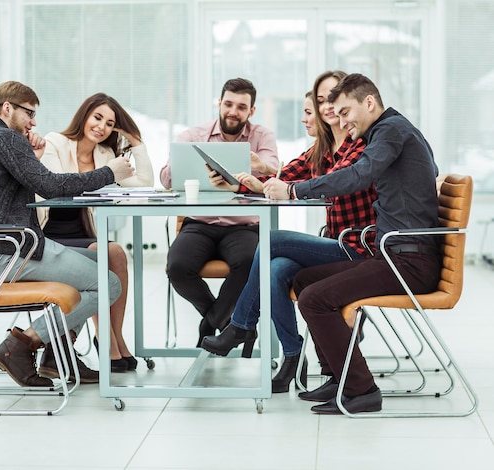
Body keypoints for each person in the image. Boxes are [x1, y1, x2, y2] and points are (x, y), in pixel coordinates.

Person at [200, 71, 378, 394]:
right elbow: (285, 175)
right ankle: (293, 356)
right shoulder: (322, 148)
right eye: (321, 101)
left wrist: (285, 186)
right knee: (275, 269)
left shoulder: (358, 143)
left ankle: (240, 326)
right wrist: (246, 183)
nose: (326, 107)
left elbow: (321, 183)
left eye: (329, 101)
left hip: (356, 248)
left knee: (271, 241)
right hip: (335, 243)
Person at [0, 81, 134, 387]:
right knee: (108, 284)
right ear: (7, 108)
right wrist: (110, 173)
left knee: (103, 260)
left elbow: (8, 189)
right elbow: (52, 186)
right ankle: (23, 344)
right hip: (9, 254)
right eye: (29, 113)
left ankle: (56, 352)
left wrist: (33, 158)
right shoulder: (6, 139)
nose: (34, 122)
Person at [287, 73, 441, 414]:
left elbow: (359, 175)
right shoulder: (393, 132)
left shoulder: (391, 131)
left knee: (313, 299)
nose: (340, 121)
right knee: (303, 280)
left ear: (369, 103)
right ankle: (338, 377)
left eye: (345, 112)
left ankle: (361, 390)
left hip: (408, 263)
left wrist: (296, 189)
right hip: (395, 255)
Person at [36, 92, 154, 373]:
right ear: (84, 115)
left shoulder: (105, 154)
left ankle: (114, 337)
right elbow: (56, 186)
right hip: (50, 236)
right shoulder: (55, 142)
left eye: (110, 124)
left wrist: (136, 143)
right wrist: (107, 174)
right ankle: (110, 343)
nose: (101, 127)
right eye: (97, 117)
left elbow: (145, 183)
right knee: (107, 253)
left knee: (116, 254)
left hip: (84, 233)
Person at [159, 77, 279, 346]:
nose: (233, 111)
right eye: (228, 104)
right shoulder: (194, 136)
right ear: (219, 103)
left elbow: (274, 171)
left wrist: (258, 166)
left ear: (251, 111)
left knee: (250, 263)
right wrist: (180, 163)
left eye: (241, 106)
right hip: (199, 223)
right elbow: (166, 180)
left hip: (243, 226)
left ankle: (209, 323)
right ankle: (226, 323)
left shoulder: (262, 136)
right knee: (177, 267)